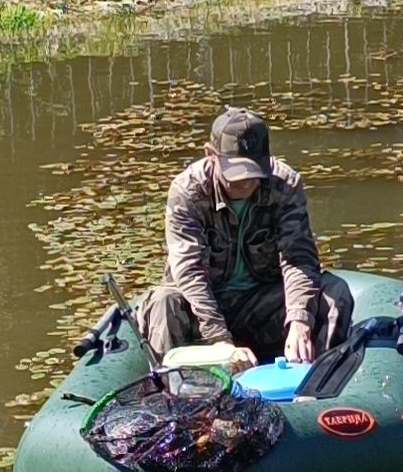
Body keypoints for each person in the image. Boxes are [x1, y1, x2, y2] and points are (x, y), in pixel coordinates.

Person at [137, 108, 353, 367]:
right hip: (203, 306)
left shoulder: (285, 184)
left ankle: (314, 386)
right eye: (237, 173)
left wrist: (300, 319)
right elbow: (189, 272)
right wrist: (220, 341)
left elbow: (298, 258)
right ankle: (174, 391)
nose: (247, 182)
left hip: (259, 299)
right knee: (163, 303)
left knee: (333, 293)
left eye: (254, 172)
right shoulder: (188, 193)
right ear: (210, 155)